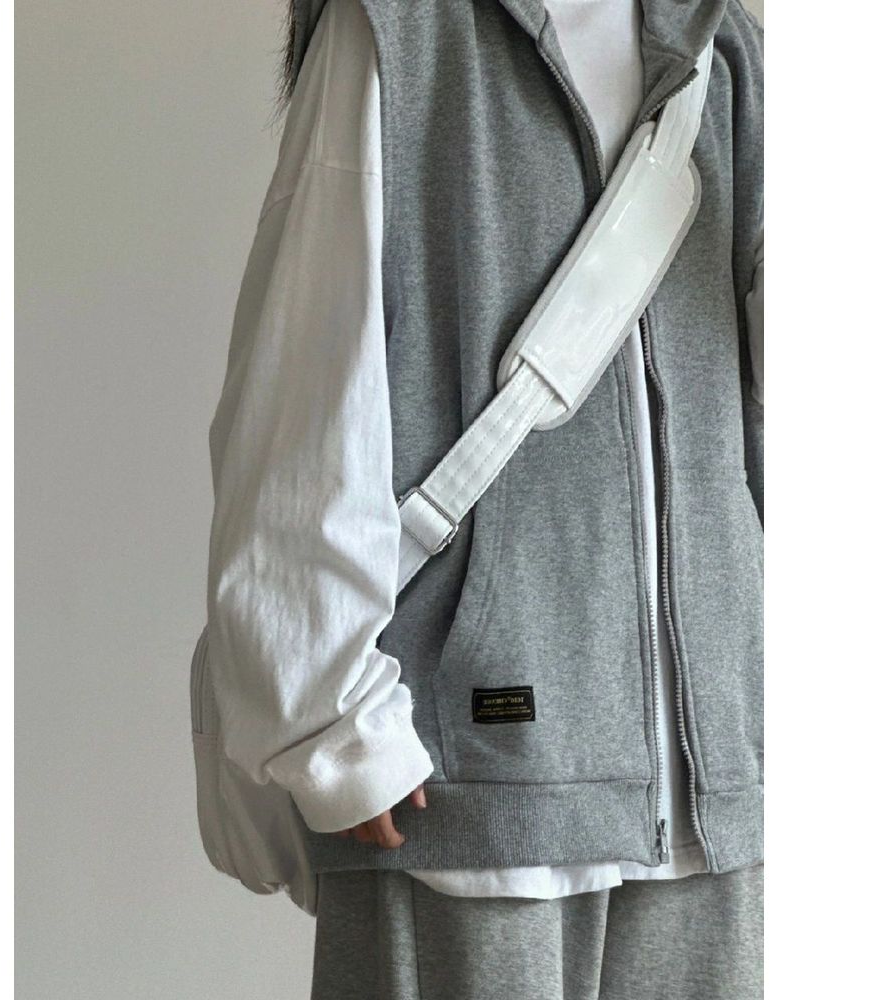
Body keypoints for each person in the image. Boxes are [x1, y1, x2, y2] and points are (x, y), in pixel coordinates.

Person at [204, 1, 763, 996]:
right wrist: (335, 723)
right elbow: (307, 381)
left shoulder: (723, 46)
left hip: (712, 795)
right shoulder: (398, 32)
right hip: (466, 785)